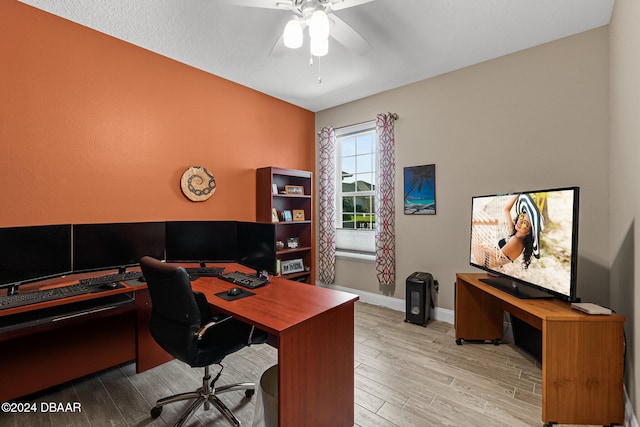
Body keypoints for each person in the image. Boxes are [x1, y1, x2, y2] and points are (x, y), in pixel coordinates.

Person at [477, 194, 543, 270]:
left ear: (529, 232)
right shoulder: (517, 234)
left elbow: (498, 255)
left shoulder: (516, 240)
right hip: (485, 257)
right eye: (521, 216)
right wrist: (518, 194)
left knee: (474, 224)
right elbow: (506, 209)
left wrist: (486, 248)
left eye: (525, 223)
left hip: (484, 259)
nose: (520, 222)